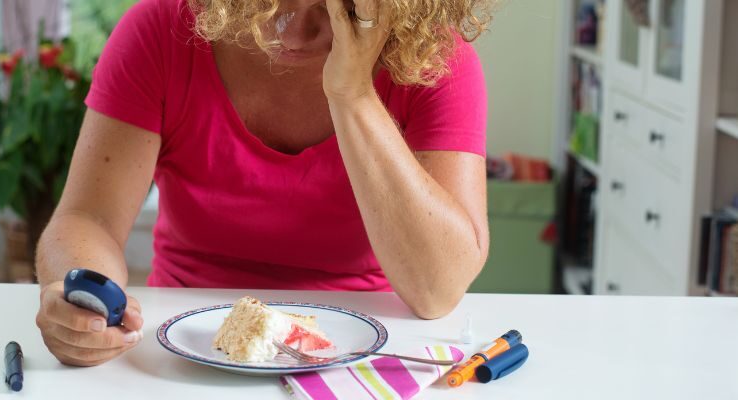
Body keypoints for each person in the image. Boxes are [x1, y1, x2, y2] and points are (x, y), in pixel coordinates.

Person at [35, 0, 492, 366]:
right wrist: (84, 306)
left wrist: (352, 93)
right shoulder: (160, 30)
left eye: (337, 7)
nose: (294, 30)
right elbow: (87, 217)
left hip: (361, 352)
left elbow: (437, 290)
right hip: (185, 343)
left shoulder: (433, 60)